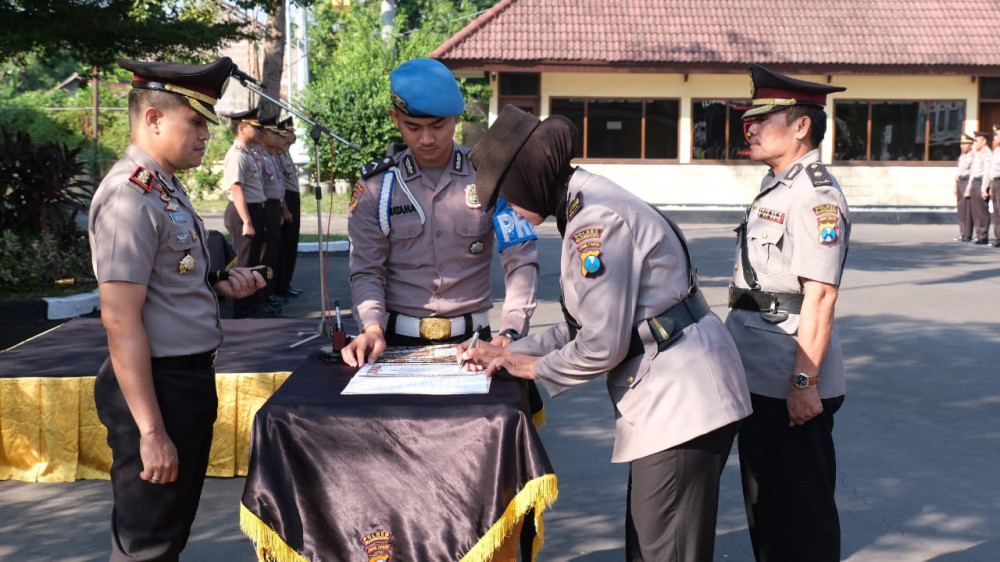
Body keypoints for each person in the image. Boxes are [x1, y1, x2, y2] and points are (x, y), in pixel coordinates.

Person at [460, 105, 752, 561]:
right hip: (672, 393)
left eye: (506, 197)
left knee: (665, 551)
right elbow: (581, 327)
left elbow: (600, 346)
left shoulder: (594, 222)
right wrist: (504, 351)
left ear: (528, 179)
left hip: (682, 399)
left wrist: (525, 366)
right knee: (652, 546)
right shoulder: (583, 204)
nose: (506, 210)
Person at [88, 57, 268, 561]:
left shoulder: (162, 184)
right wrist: (151, 432)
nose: (206, 135)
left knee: (166, 534)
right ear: (153, 119)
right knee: (148, 543)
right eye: (195, 122)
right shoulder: (129, 196)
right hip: (156, 388)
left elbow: (168, 277)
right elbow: (120, 319)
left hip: (182, 382)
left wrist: (218, 286)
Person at [727, 63, 850, 562]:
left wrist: (804, 385)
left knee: (801, 516)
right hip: (759, 372)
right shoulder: (777, 184)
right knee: (768, 511)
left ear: (801, 126)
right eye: (750, 119)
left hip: (791, 379)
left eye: (763, 118)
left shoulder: (816, 194)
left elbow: (820, 297)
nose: (750, 127)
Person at [342, 58, 539, 366]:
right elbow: (367, 269)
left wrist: (512, 329)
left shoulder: (490, 177)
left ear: (456, 118)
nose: (426, 139)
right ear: (395, 118)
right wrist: (371, 328)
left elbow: (520, 258)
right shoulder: (377, 187)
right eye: (413, 127)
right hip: (394, 343)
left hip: (475, 344)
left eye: (438, 126)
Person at [222, 107, 276, 318]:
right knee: (244, 263)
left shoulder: (247, 153)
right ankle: (242, 311)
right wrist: (246, 220)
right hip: (242, 212)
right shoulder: (237, 155)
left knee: (253, 260)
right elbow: (236, 188)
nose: (259, 130)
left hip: (254, 209)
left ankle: (254, 306)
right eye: (255, 127)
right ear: (242, 128)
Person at [275, 117, 304, 295]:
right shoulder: (278, 155)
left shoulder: (286, 154)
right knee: (285, 244)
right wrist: (284, 208)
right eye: (290, 132)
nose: (293, 135)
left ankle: (286, 282)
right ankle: (281, 284)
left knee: (292, 242)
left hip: (293, 197)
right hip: (286, 198)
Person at [968, 130, 992, 244]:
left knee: (981, 210)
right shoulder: (978, 153)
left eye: (977, 141)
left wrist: (984, 188)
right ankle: (978, 234)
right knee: (976, 210)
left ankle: (983, 235)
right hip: (975, 182)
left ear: (984, 141)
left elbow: (987, 172)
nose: (975, 143)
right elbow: (973, 172)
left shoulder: (986, 153)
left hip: (981, 183)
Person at [955, 133, 974, 242]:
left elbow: (972, 174)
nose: (962, 146)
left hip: (967, 182)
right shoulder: (962, 156)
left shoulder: (972, 156)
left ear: (970, 145)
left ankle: (967, 234)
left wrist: (968, 189)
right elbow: (958, 172)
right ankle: (962, 233)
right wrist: (955, 186)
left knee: (967, 210)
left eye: (965, 144)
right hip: (960, 181)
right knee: (961, 209)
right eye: (961, 144)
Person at [989, 127, 1000, 247]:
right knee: (996, 211)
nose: (994, 137)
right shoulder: (996, 150)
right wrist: (991, 186)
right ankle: (998, 238)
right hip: (996, 182)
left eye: (997, 134)